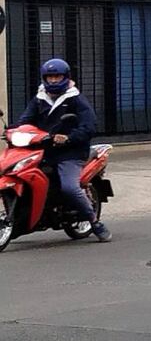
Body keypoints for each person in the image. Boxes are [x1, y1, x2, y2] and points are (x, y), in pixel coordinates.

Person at [15, 59, 111, 243]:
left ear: (65, 77)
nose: (53, 80)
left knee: (69, 187)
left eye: (56, 76)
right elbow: (25, 121)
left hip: (70, 153)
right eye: (49, 77)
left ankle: (95, 222)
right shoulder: (39, 98)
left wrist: (68, 137)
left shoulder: (76, 99)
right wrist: (14, 130)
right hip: (44, 150)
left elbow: (89, 126)